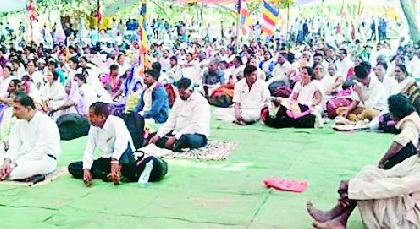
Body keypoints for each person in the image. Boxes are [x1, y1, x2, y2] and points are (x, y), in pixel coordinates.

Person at [307, 93, 420, 229]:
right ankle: (339, 219)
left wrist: (353, 187)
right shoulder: (416, 159)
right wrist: (353, 183)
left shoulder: (410, 124)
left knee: (369, 188)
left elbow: (398, 186)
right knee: (368, 174)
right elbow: (392, 173)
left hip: (410, 217)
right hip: (406, 196)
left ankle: (338, 218)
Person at [68, 102, 137, 185]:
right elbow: (89, 149)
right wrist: (86, 170)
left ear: (102, 117)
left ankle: (115, 172)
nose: (88, 118)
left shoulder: (117, 122)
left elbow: (122, 142)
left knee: (127, 156)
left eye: (91, 116)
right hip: (107, 160)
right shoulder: (93, 128)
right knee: (74, 167)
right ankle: (113, 173)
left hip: (123, 157)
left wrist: (115, 160)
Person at [0, 92, 61, 181]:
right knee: (5, 163)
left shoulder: (46, 122)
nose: (14, 112)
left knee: (22, 171)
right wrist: (7, 161)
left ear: (28, 109)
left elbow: (38, 152)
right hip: (22, 156)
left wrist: (14, 165)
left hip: (45, 159)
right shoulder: (19, 121)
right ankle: (6, 172)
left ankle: (7, 173)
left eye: (16, 108)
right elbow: (14, 146)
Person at [148, 78, 210, 151]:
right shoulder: (179, 100)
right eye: (179, 92)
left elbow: (195, 126)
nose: (181, 95)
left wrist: (175, 138)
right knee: (153, 136)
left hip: (195, 135)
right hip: (176, 132)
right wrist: (158, 136)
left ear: (191, 90)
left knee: (186, 139)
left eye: (183, 93)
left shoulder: (200, 102)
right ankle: (173, 145)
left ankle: (173, 144)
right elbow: (171, 121)